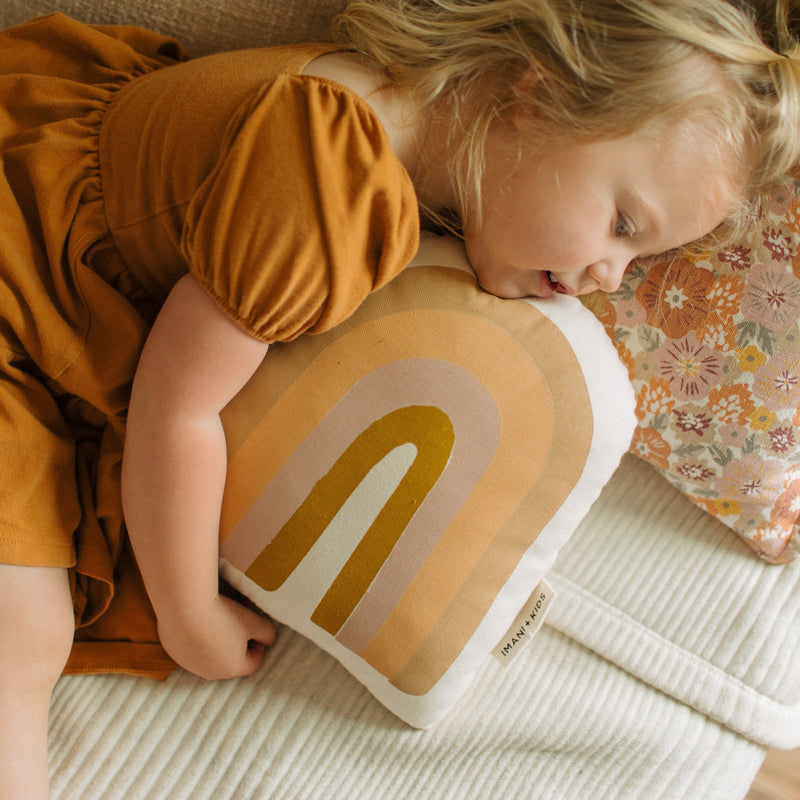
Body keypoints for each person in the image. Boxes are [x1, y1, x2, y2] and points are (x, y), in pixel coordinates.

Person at [0, 0, 798, 796]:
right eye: (623, 223)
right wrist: (188, 615)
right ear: (535, 96)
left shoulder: (406, 116)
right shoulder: (327, 184)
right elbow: (177, 414)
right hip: (19, 300)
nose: (610, 278)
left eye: (641, 256)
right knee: (23, 637)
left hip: (52, 258)